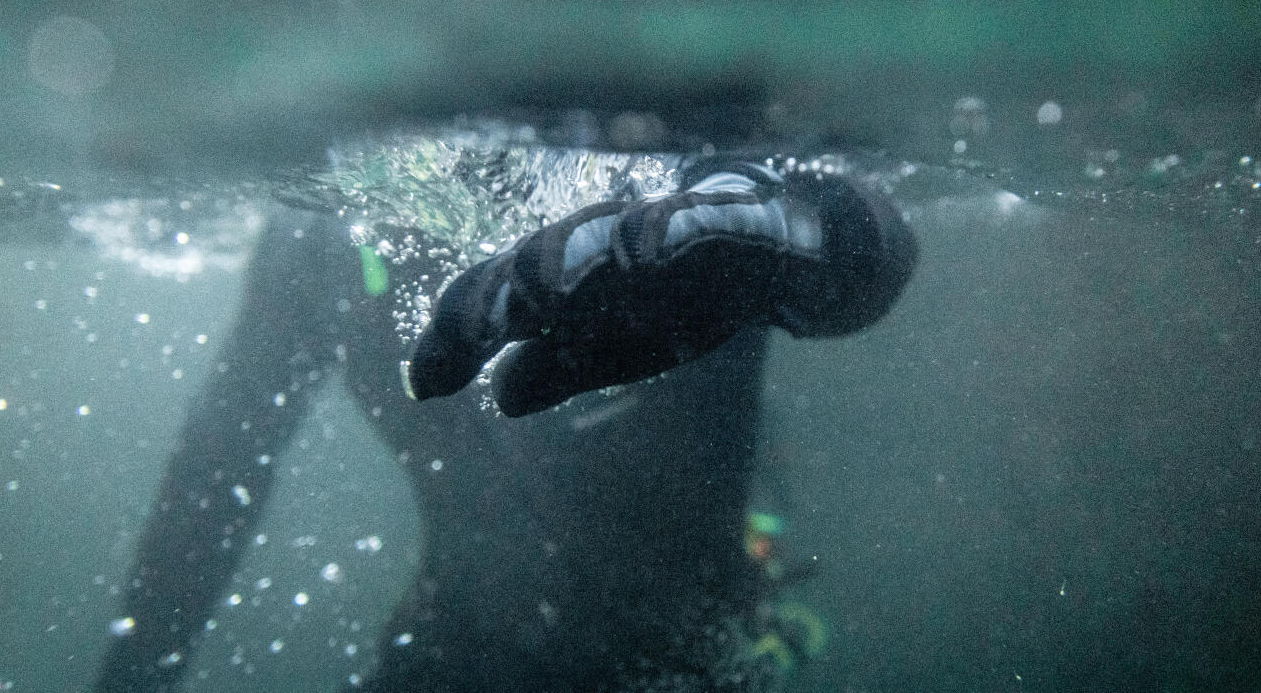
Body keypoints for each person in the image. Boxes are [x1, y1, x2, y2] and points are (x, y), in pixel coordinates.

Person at [91, 127, 916, 691]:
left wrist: (791, 236)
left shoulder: (692, 172)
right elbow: (211, 486)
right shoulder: (320, 243)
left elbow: (875, 248)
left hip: (683, 658)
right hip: (457, 652)